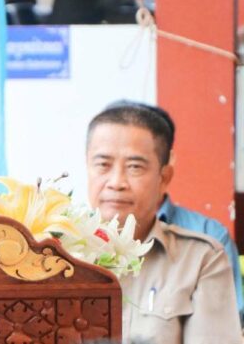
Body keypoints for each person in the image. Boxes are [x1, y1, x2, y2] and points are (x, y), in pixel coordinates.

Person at [86, 101, 240, 343]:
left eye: (134, 167)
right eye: (103, 165)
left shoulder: (201, 259)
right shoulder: (51, 256)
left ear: (164, 177)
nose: (116, 182)